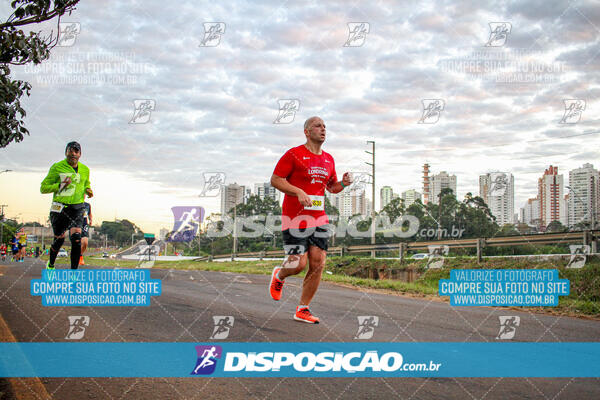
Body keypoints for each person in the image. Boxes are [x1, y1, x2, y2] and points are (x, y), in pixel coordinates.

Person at [268, 116, 352, 323]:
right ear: (307, 131)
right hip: (294, 218)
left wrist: (343, 183)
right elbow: (276, 180)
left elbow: (331, 188)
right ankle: (279, 275)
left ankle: (302, 309)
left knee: (318, 263)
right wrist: (297, 191)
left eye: (325, 126)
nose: (323, 129)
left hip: (319, 219)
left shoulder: (329, 159)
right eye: (318, 126)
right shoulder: (294, 154)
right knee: (298, 264)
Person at [40, 141, 93, 270]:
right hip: (60, 207)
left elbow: (86, 183)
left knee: (76, 239)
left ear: (80, 154)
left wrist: (88, 189)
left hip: (77, 208)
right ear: (66, 152)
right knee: (59, 240)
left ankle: (73, 274)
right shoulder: (57, 167)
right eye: (71, 151)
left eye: (76, 151)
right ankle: (51, 264)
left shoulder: (85, 170)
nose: (73, 154)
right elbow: (43, 188)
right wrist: (60, 186)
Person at [79, 201, 92, 265]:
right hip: (75, 224)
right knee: (76, 243)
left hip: (84, 224)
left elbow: (89, 214)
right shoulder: (73, 203)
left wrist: (90, 220)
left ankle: (80, 256)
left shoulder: (87, 205)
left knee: (85, 242)